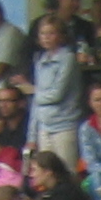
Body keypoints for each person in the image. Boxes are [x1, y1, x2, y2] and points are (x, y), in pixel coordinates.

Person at [22, 16, 83, 175]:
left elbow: (57, 94)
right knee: (47, 174)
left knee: (67, 172)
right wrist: (32, 136)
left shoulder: (68, 58)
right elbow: (36, 103)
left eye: (51, 33)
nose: (46, 37)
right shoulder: (40, 60)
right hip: (44, 127)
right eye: (43, 34)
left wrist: (33, 90)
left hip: (64, 125)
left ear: (61, 36)